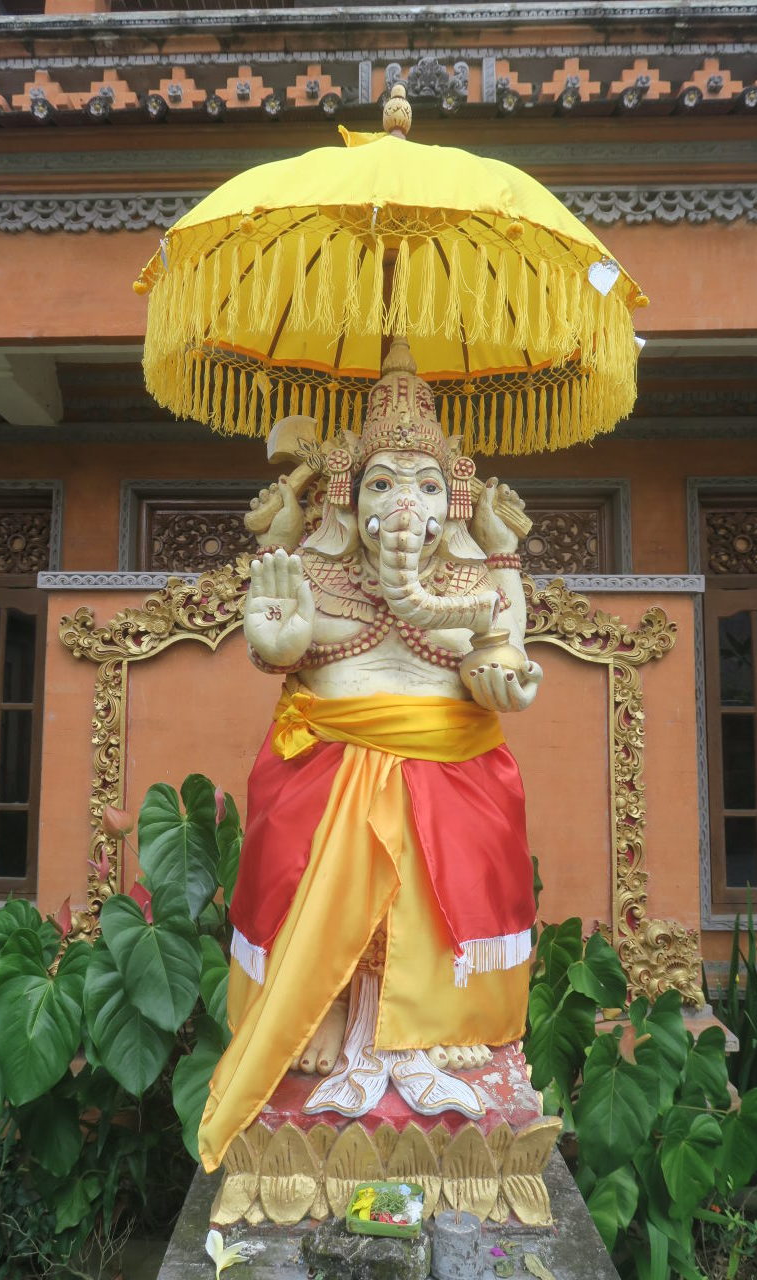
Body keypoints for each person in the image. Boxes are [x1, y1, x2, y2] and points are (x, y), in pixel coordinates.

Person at [198, 339, 542, 1173]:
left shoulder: (475, 580)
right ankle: (317, 1007)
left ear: (452, 502)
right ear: (349, 499)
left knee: (455, 861)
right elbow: (282, 645)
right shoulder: (315, 571)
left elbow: (502, 650)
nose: (404, 501)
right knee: (297, 849)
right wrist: (274, 639)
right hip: (326, 761)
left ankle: (440, 1022)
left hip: (450, 764)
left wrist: (501, 673)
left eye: (424, 485)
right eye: (382, 483)